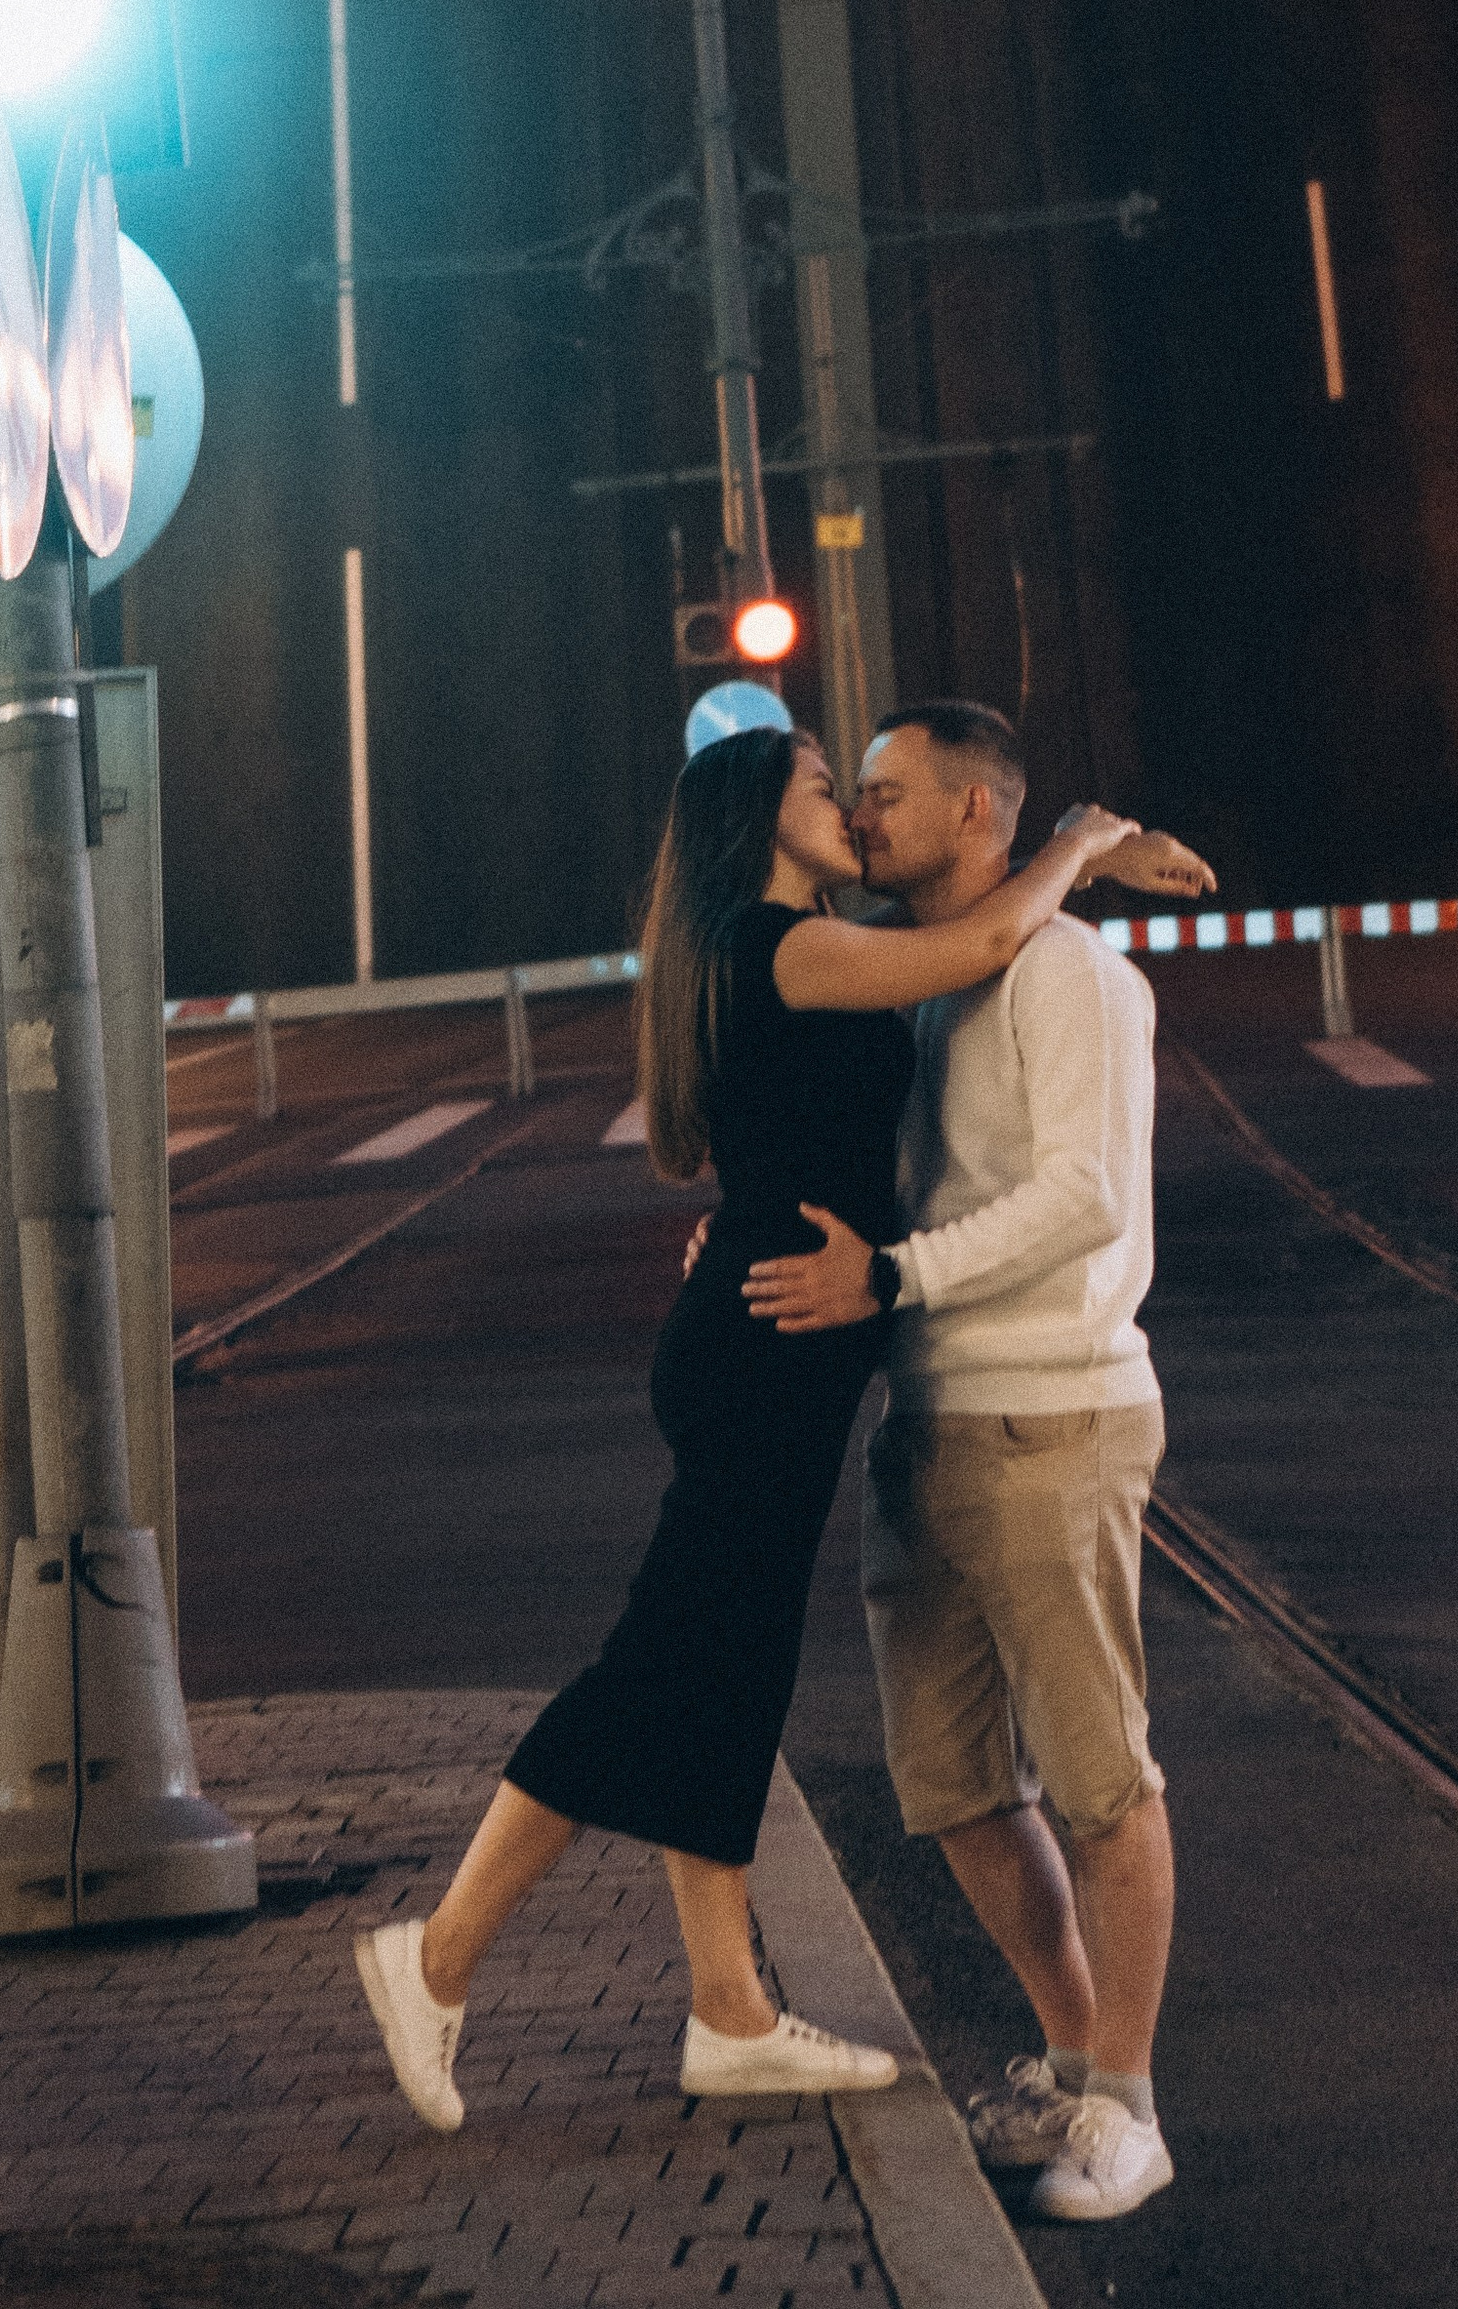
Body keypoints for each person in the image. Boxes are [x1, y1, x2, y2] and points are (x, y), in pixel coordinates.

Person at [353, 718, 1144, 2135]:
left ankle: (728, 2011)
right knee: (664, 1661)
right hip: (770, 1344)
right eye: (827, 788)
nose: (850, 809)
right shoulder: (783, 945)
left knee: (726, 1666)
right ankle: (437, 1956)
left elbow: (857, 1092)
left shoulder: (784, 946)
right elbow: (979, 943)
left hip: (772, 1335)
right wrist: (1081, 843)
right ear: (760, 816)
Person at [745, 701, 1198, 2225]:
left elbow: (1084, 1197)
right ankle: (1072, 2059)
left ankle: (1130, 2107)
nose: (861, 816)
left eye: (886, 792)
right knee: (948, 1785)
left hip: (1053, 1413)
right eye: (855, 792)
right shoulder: (933, 980)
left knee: (1101, 1778)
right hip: (927, 1416)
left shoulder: (1068, 974)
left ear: (977, 814)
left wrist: (897, 1277)